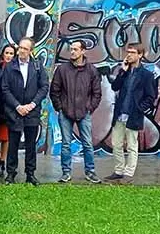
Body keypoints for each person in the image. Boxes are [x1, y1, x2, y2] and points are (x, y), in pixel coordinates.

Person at [104, 42, 158, 184]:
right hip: (120, 114)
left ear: (140, 55)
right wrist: (122, 71)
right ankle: (118, 171)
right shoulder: (125, 71)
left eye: (133, 52)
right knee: (116, 144)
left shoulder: (146, 75)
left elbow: (151, 96)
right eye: (128, 51)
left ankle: (128, 173)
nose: (129, 54)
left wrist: (140, 108)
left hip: (133, 114)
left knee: (132, 146)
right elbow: (115, 86)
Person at [50, 39, 102, 184]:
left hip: (84, 112)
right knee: (66, 144)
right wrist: (59, 107)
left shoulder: (91, 70)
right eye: (71, 49)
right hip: (65, 112)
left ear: (83, 51)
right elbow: (54, 90)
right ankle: (66, 172)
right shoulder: (62, 69)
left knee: (87, 143)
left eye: (75, 49)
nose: (72, 52)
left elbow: (97, 92)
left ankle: (90, 172)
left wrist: (90, 107)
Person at [1, 37, 50, 186]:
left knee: (30, 144)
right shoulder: (10, 66)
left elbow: (44, 87)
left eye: (25, 48)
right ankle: (10, 173)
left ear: (31, 51)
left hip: (32, 112)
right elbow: (5, 88)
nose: (21, 51)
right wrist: (17, 106)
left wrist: (32, 104)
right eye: (20, 47)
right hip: (14, 112)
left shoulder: (37, 66)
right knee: (13, 144)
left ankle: (30, 173)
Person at [0, 44, 15, 177]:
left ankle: (2, 162)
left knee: (5, 137)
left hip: (9, 107)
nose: (9, 56)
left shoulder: (15, 68)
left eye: (12, 53)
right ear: (2, 54)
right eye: (7, 53)